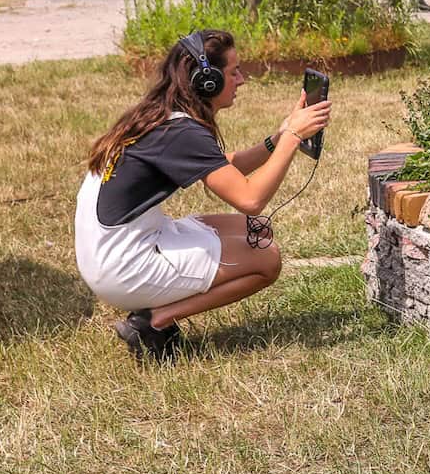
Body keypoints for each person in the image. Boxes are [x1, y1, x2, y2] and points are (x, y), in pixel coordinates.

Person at [76, 29, 331, 361]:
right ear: (206, 81)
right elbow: (251, 199)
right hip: (122, 268)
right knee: (267, 258)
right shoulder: (181, 132)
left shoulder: (162, 115)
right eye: (233, 72)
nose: (242, 80)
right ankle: (154, 323)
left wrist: (276, 139)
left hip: (112, 251)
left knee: (256, 231)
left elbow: (223, 165)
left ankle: (152, 314)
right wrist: (293, 137)